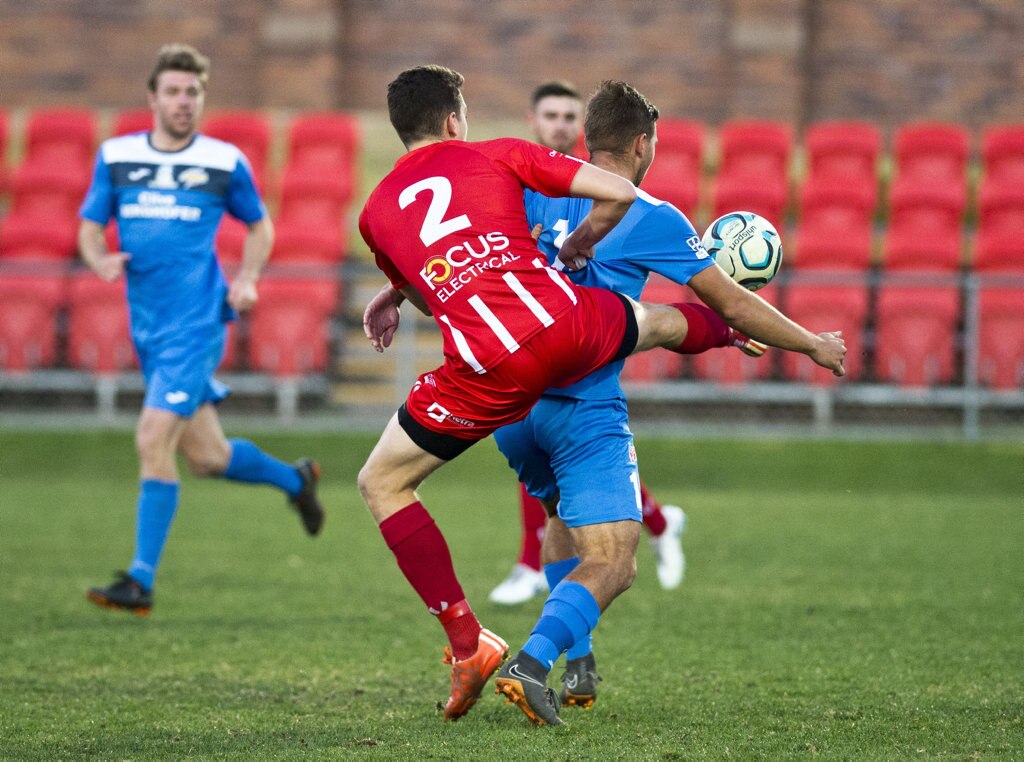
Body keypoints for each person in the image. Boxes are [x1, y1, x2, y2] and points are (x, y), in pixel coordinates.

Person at [358, 64, 846, 723]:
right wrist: (808, 342)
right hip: (582, 392)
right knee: (614, 561)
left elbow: (453, 252)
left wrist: (392, 292)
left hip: (512, 409)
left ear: (585, 138)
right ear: (642, 146)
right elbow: (729, 298)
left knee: (556, 517)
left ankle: (578, 660)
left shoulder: (512, 190)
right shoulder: (649, 213)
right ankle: (533, 663)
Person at [79, 43, 325, 617]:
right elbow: (90, 227)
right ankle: (296, 479)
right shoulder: (116, 156)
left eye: (192, 92)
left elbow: (260, 228)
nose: (183, 101)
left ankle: (139, 580)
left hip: (197, 324)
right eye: (173, 91)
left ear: (201, 97)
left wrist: (248, 278)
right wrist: (99, 261)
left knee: (150, 438)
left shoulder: (223, 161)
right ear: (153, 97)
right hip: (150, 330)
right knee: (206, 457)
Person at [488, 80, 687, 607]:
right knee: (554, 461)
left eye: (568, 116)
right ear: (533, 122)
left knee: (572, 473)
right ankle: (655, 524)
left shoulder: (595, 194)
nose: (559, 124)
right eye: (549, 114)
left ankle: (538, 566)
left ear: (584, 129)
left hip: (583, 362)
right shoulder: (520, 188)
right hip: (535, 358)